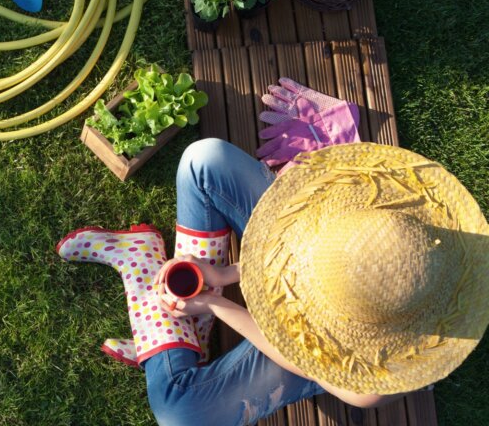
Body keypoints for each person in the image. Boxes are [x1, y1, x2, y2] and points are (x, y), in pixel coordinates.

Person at [57, 138, 489, 425]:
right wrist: (227, 275)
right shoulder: (418, 238)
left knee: (179, 411)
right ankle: (174, 328)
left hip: (321, 353)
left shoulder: (381, 371)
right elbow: (327, 253)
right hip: (311, 243)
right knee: (203, 160)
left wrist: (218, 303)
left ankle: (145, 278)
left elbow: (300, 357)